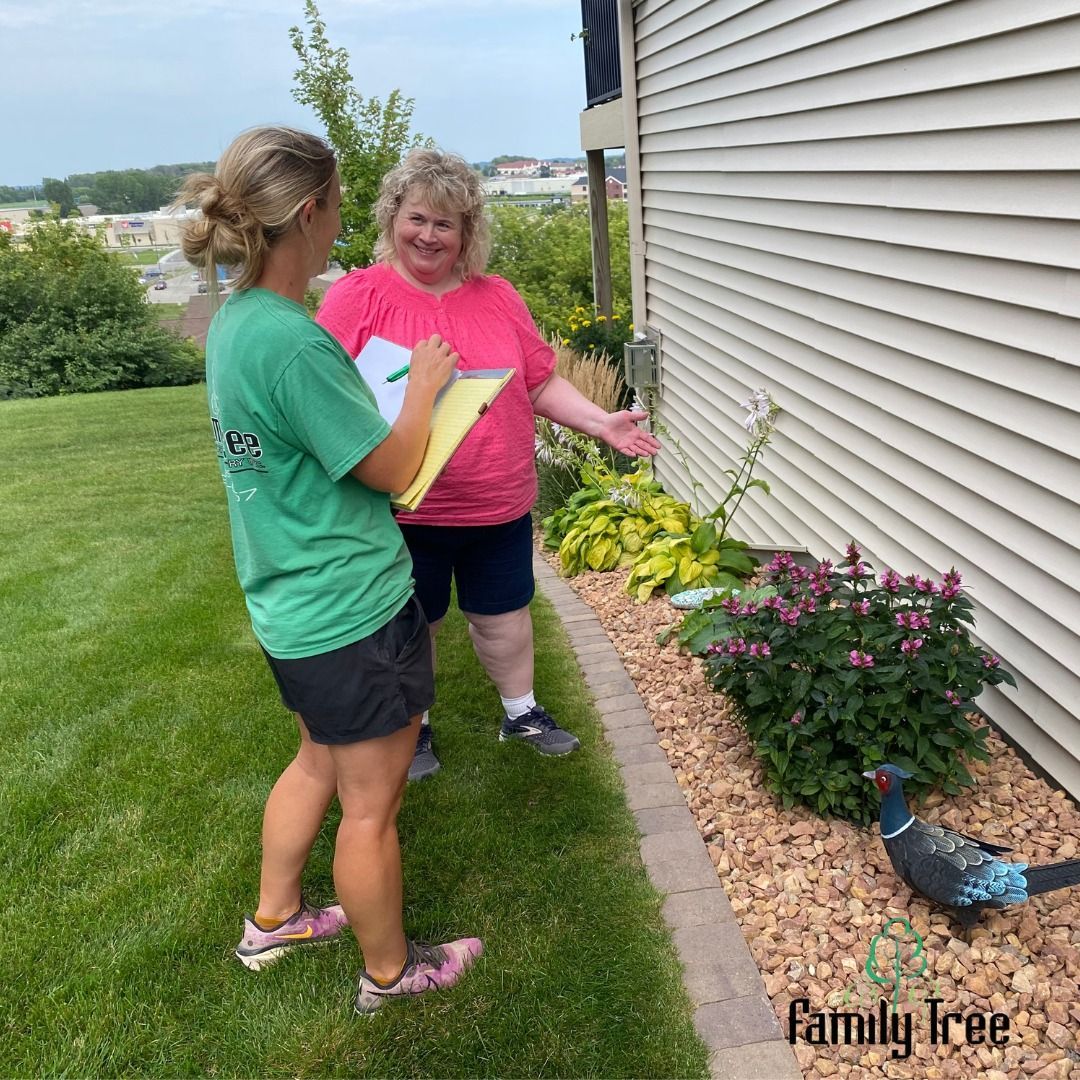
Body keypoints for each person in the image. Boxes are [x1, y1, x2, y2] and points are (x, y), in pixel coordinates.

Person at [175, 127, 481, 1013]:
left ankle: (273, 920)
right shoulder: (295, 341)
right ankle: (392, 975)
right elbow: (388, 468)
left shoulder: (235, 321)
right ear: (310, 213)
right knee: (371, 804)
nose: (345, 218)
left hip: (291, 604)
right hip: (348, 606)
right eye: (341, 202)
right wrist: (422, 387)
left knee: (316, 757)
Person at [317, 148, 660, 782]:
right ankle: (412, 729)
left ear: (468, 232)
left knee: (503, 614)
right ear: (392, 216)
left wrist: (599, 420)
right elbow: (326, 398)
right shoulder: (356, 297)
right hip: (403, 507)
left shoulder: (497, 296)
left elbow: (537, 381)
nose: (428, 235)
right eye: (416, 217)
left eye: (446, 224)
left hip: (497, 500)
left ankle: (521, 713)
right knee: (413, 624)